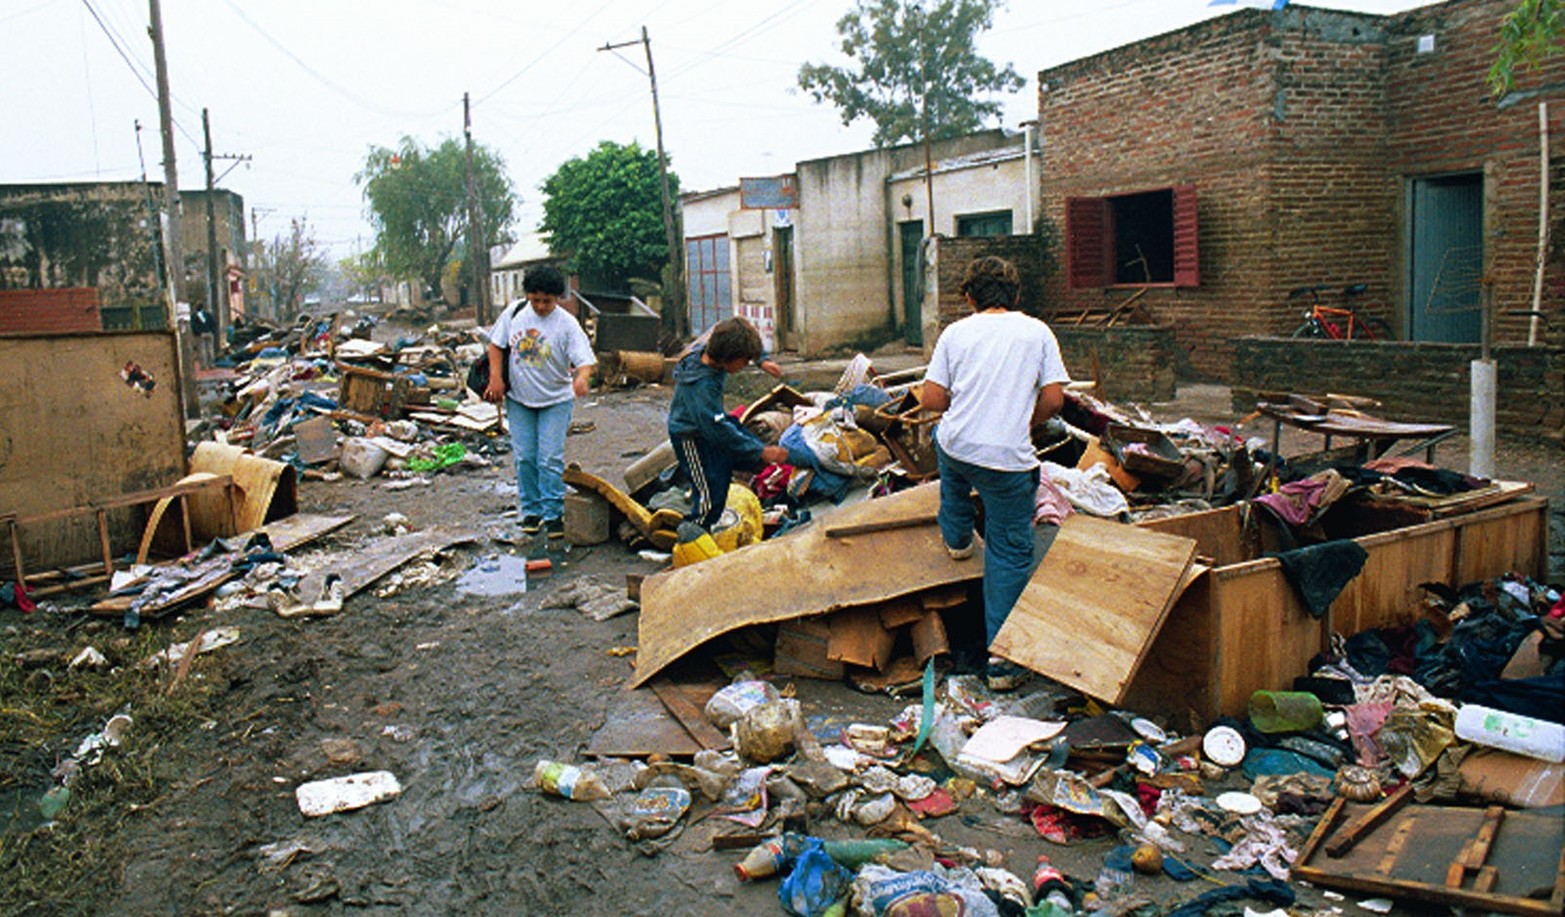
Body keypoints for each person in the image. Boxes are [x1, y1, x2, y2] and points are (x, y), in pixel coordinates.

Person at [919, 256, 1071, 691]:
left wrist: (969, 407)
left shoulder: (955, 333)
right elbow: (1055, 400)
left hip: (958, 446)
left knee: (951, 468)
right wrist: (1024, 421)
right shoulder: (1037, 332)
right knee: (1008, 552)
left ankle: (957, 538)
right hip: (1008, 460)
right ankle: (1003, 663)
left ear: (969, 297)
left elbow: (931, 399)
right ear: (1016, 295)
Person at [482, 266, 596, 541]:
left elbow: (585, 361)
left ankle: (554, 513)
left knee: (550, 458)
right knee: (525, 457)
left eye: (547, 301)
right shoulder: (514, 313)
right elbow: (496, 346)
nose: (541, 306)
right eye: (535, 300)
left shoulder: (567, 324)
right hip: (519, 400)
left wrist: (582, 379)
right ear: (528, 296)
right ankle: (531, 511)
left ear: (557, 298)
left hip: (556, 400)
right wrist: (496, 378)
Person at [668, 316, 789, 531]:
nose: (745, 365)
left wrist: (762, 360)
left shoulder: (712, 349)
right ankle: (693, 535)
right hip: (692, 438)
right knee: (709, 495)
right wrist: (760, 451)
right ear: (728, 358)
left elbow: (738, 337)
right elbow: (716, 430)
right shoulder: (700, 386)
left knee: (743, 457)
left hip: (712, 424)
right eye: (745, 360)